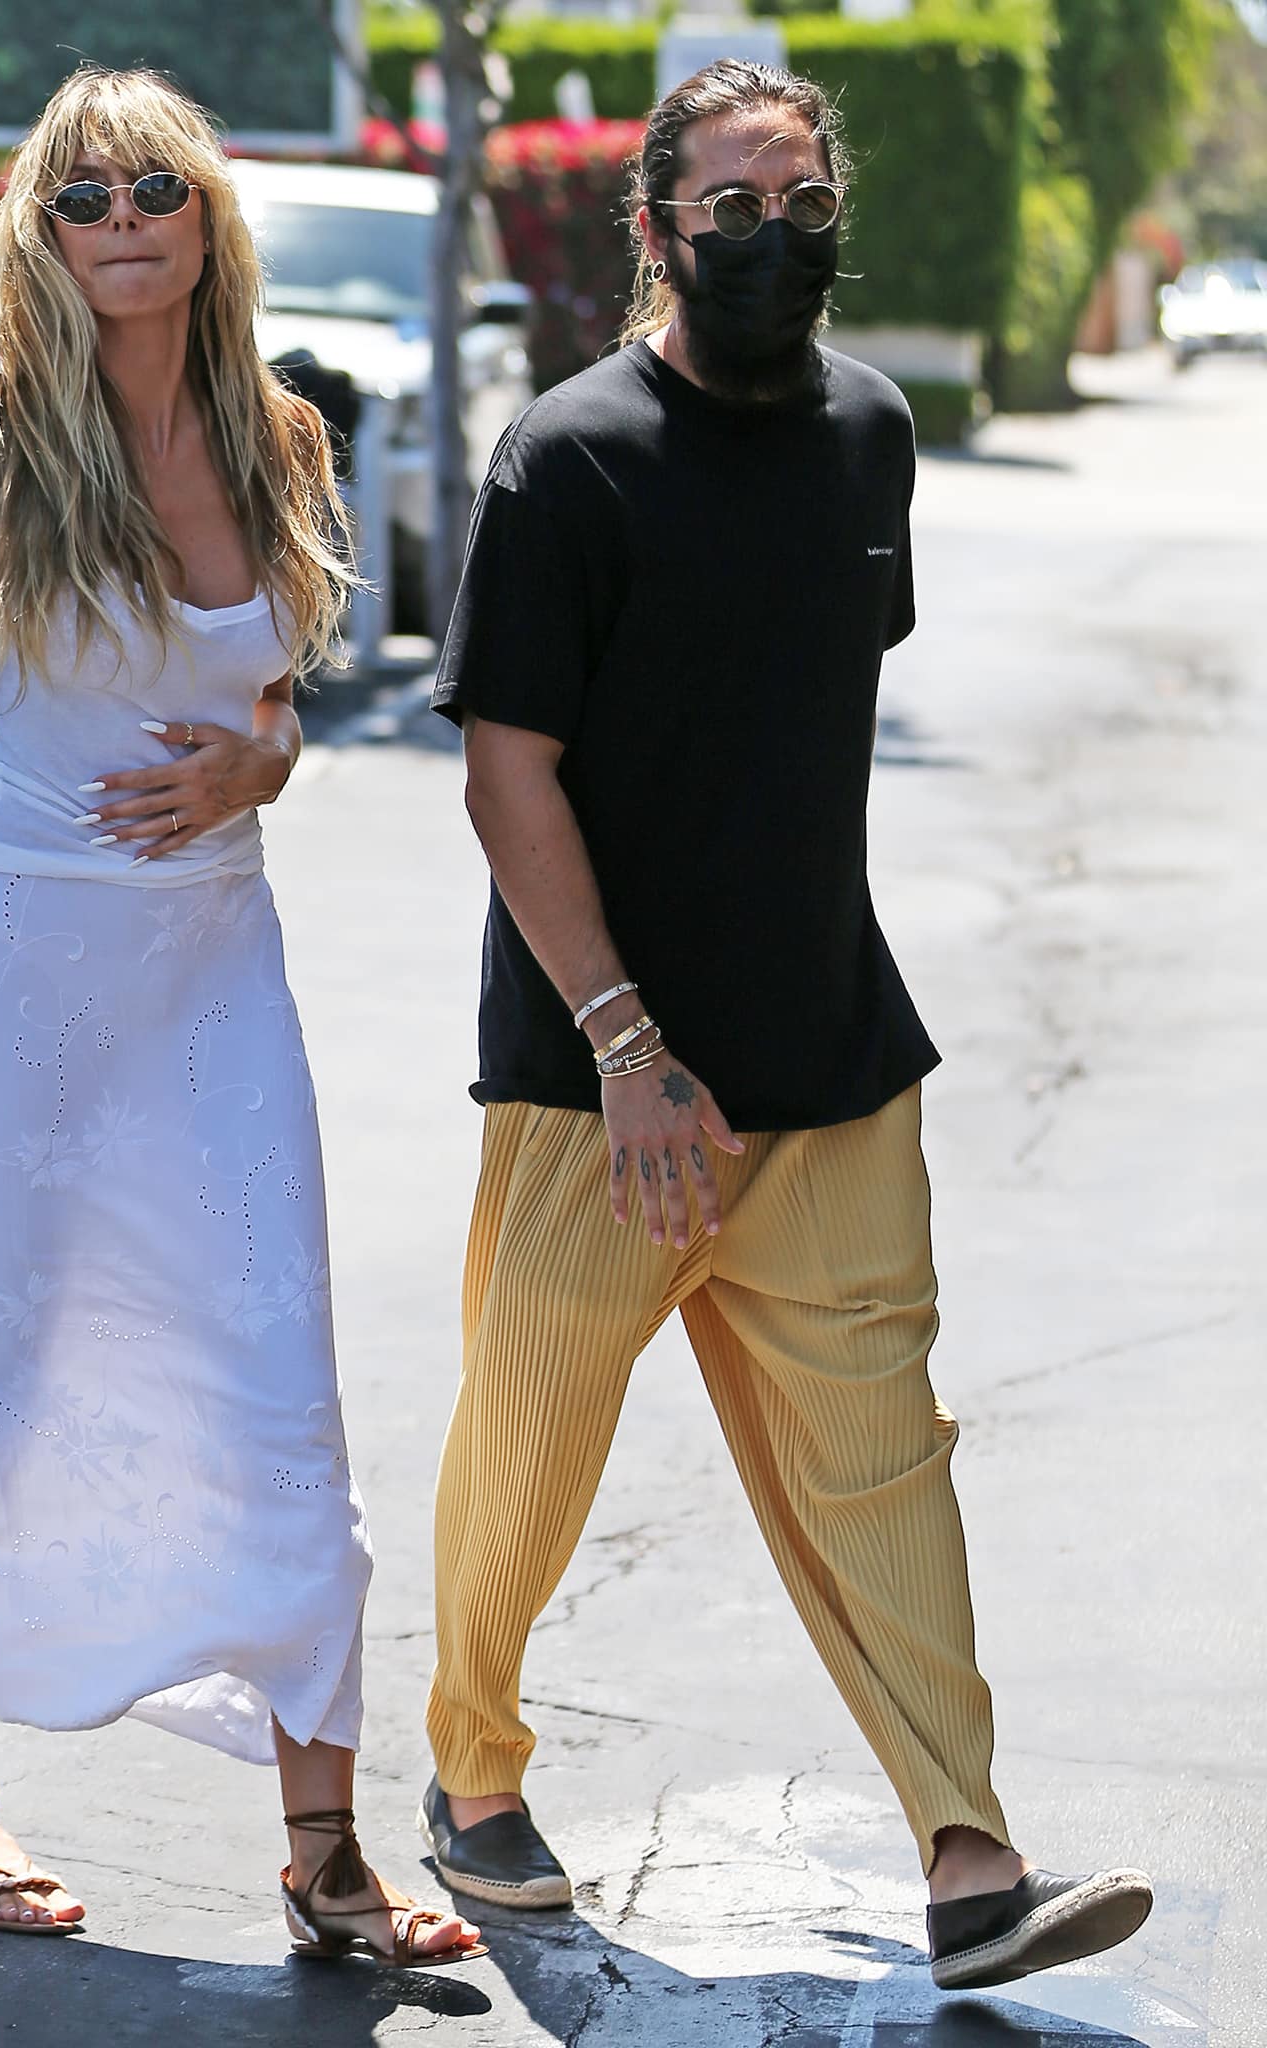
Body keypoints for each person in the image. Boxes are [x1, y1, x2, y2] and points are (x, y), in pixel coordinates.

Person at [417, 58, 1151, 1993]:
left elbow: (800, 730)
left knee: (883, 1460)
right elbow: (510, 774)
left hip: (830, 1054)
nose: (770, 232)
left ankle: (969, 1854)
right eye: (727, 205)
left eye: (799, 195)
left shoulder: (868, 435)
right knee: (536, 1435)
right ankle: (470, 1777)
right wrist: (630, 1042)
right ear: (655, 232)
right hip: (609, 1088)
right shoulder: (566, 459)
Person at [0, 62, 481, 1969]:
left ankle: (327, 1856)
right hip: (22, 973)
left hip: (214, 978)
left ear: (208, 218)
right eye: (83, 196)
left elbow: (276, 701)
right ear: (45, 224)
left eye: (154, 193)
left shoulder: (282, 431)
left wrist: (262, 769)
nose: (120, 223)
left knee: (280, 1373)